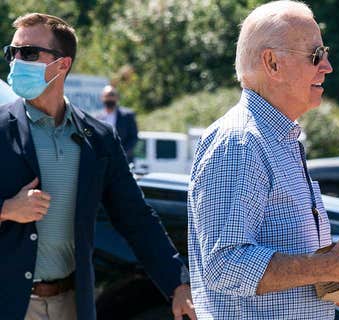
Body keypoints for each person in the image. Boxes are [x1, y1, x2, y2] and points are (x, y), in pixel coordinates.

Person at [187, 1, 339, 319]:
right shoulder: (240, 143)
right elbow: (223, 265)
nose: (328, 66)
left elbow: (303, 263)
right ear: (272, 63)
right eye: (316, 55)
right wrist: (328, 265)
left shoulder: (277, 138)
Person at [0, 13, 196, 320]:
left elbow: (135, 217)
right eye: (12, 52)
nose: (16, 61)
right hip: (9, 304)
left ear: (62, 65)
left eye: (28, 53)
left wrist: (178, 283)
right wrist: (7, 210)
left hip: (73, 305)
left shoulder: (99, 138)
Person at [96, 85, 139, 163]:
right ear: (102, 98)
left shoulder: (127, 116)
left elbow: (133, 138)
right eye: (107, 96)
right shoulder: (97, 118)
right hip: (104, 162)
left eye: (112, 95)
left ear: (117, 97)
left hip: (124, 161)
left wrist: (121, 153)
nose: (109, 98)